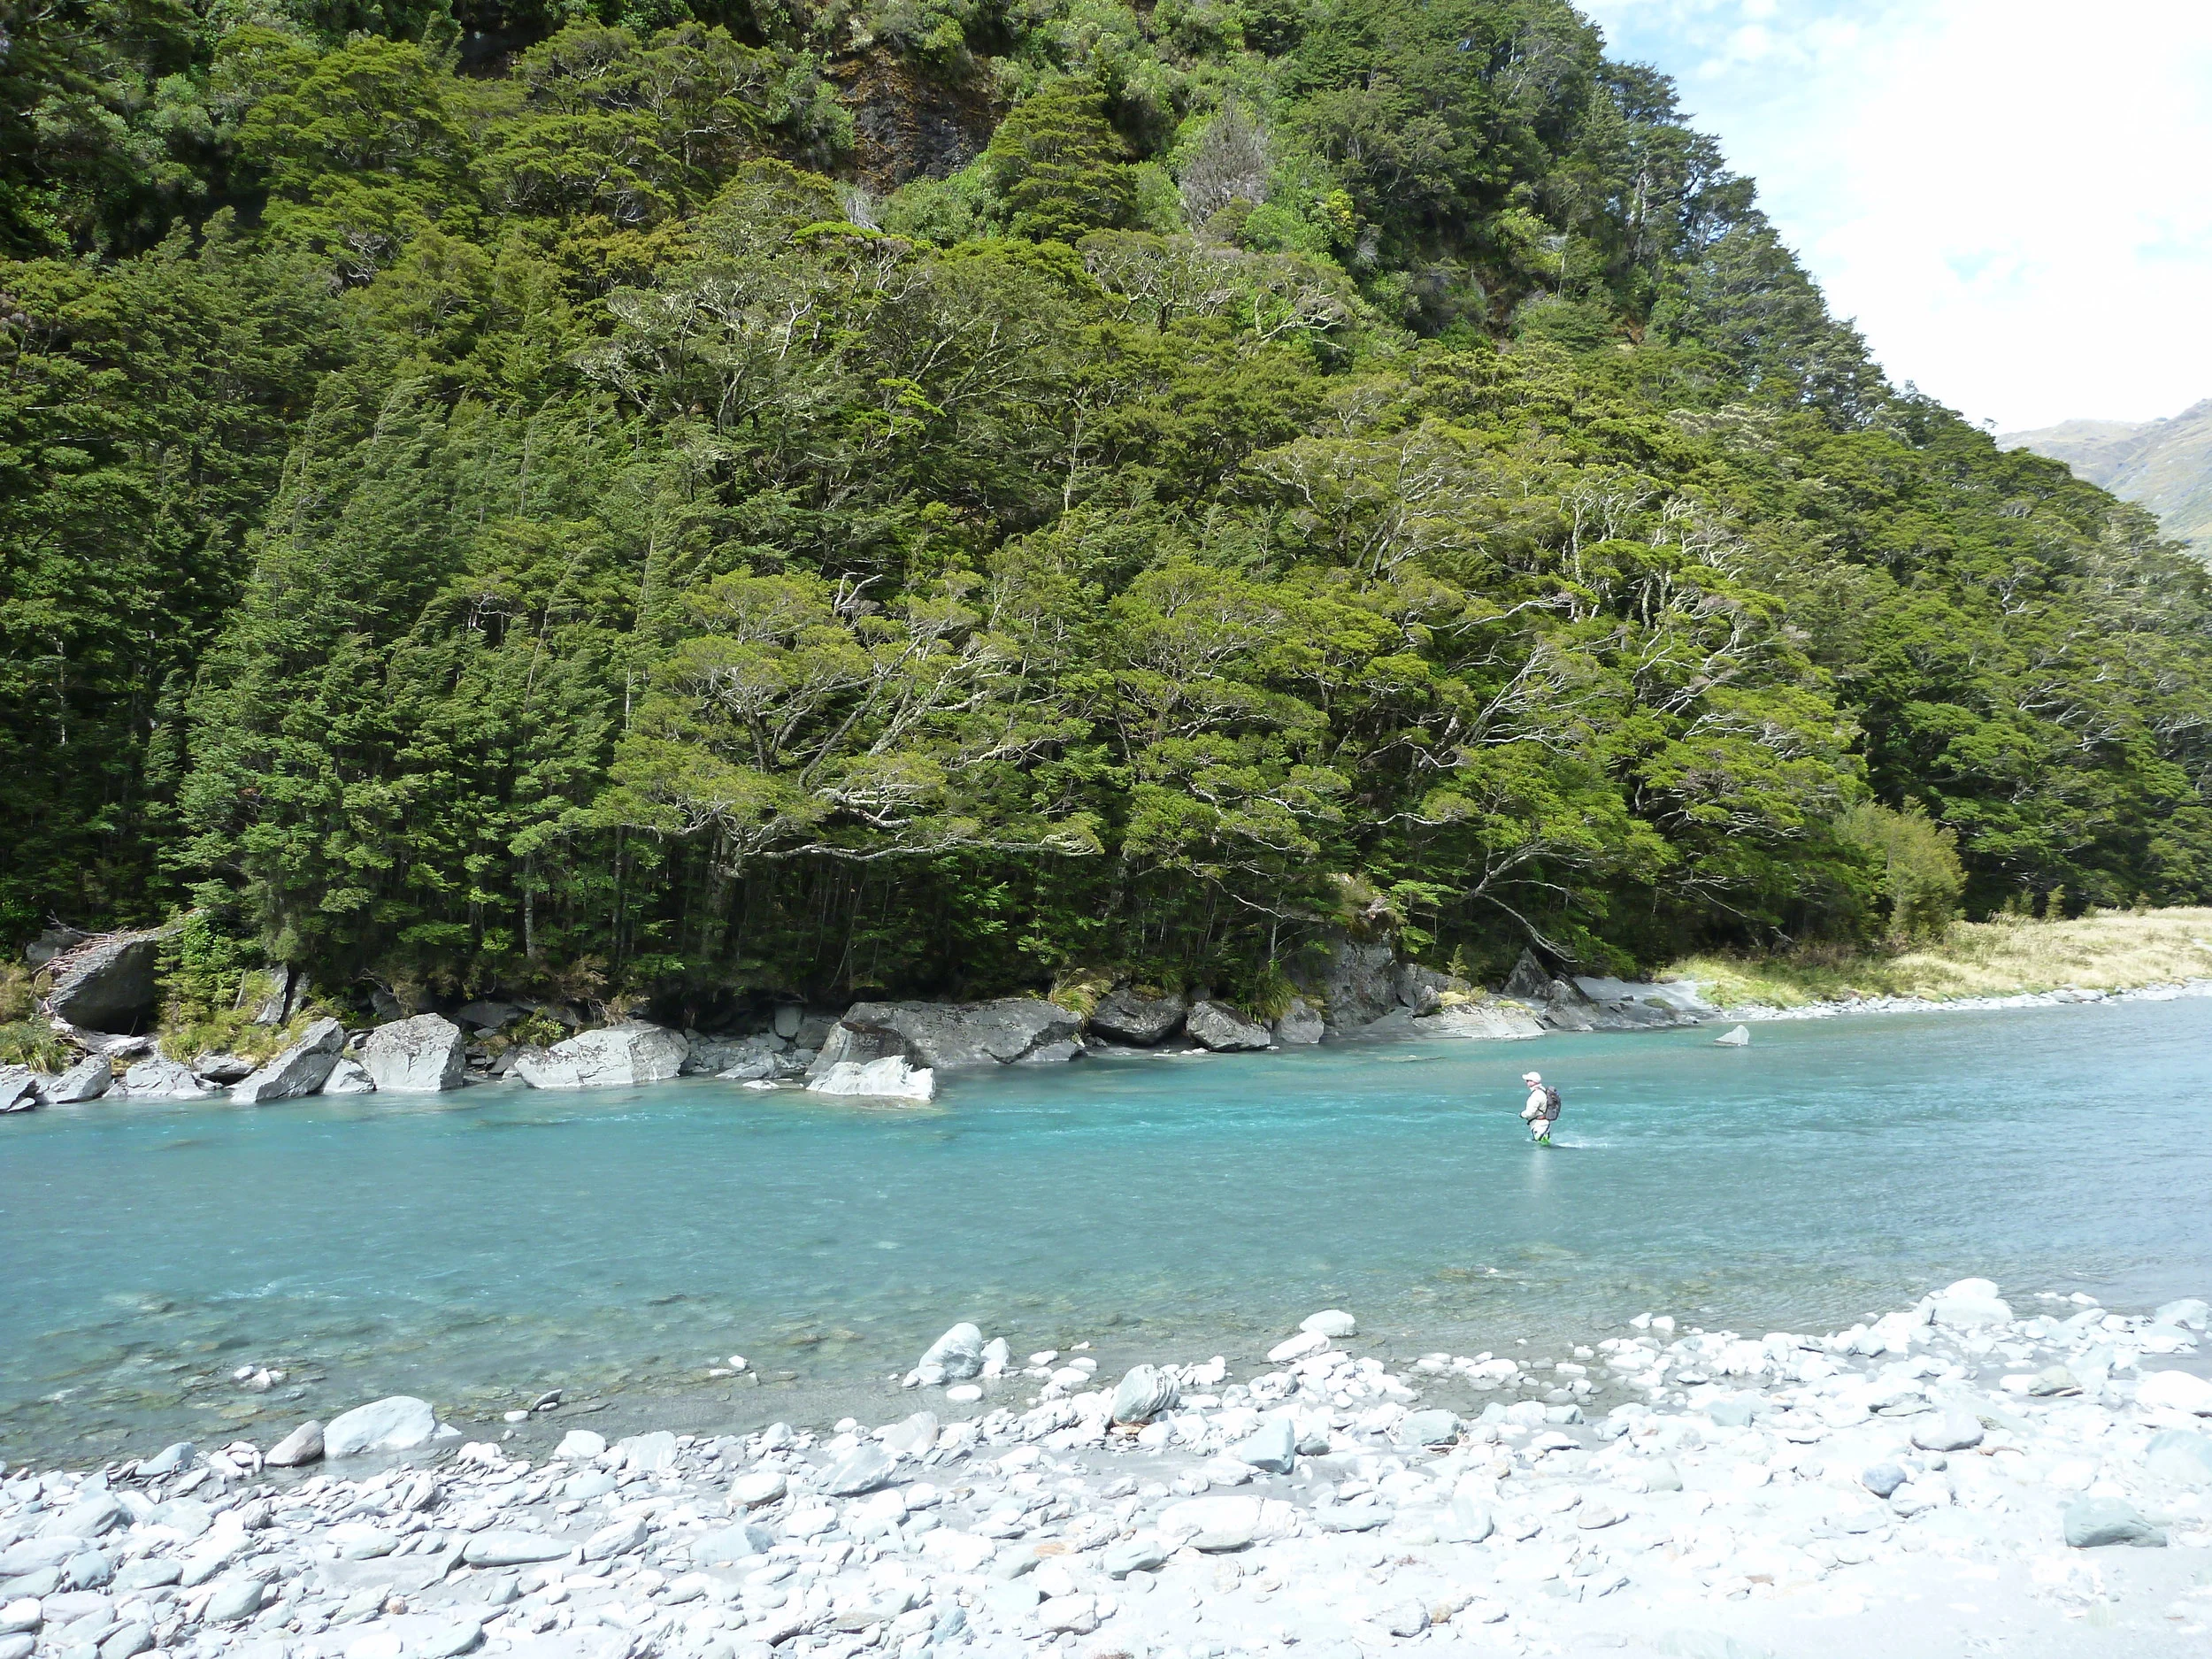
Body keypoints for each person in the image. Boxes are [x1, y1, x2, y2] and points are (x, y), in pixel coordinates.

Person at [1520, 1071, 1559, 1144]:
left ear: (1533, 1082)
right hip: (1545, 1124)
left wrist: (1522, 1114)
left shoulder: (1536, 1095)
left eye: (1528, 1080)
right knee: (1545, 1145)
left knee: (1541, 1149)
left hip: (1539, 1125)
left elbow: (1529, 1113)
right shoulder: (1543, 1090)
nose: (1526, 1082)